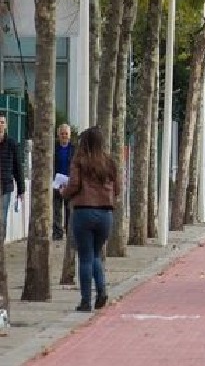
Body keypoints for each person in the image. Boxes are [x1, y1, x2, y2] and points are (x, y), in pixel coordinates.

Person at [59, 127, 119, 312]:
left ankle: (86, 301)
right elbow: (117, 189)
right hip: (105, 214)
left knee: (85, 257)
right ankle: (101, 291)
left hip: (83, 212)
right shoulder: (109, 162)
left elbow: (74, 185)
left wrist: (64, 192)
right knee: (96, 254)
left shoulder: (79, 160)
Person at [0, 112, 25, 244]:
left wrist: (21, 190)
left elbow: (18, 168)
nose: (0, 125)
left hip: (5, 187)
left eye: (2, 122)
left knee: (2, 219)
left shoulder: (12, 144)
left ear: (6, 125)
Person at [53, 123, 75, 241]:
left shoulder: (74, 149)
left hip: (69, 183)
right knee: (56, 209)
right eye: (62, 134)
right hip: (56, 183)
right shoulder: (54, 148)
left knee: (69, 209)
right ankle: (57, 232)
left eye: (66, 134)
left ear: (69, 135)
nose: (64, 136)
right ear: (58, 135)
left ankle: (69, 230)